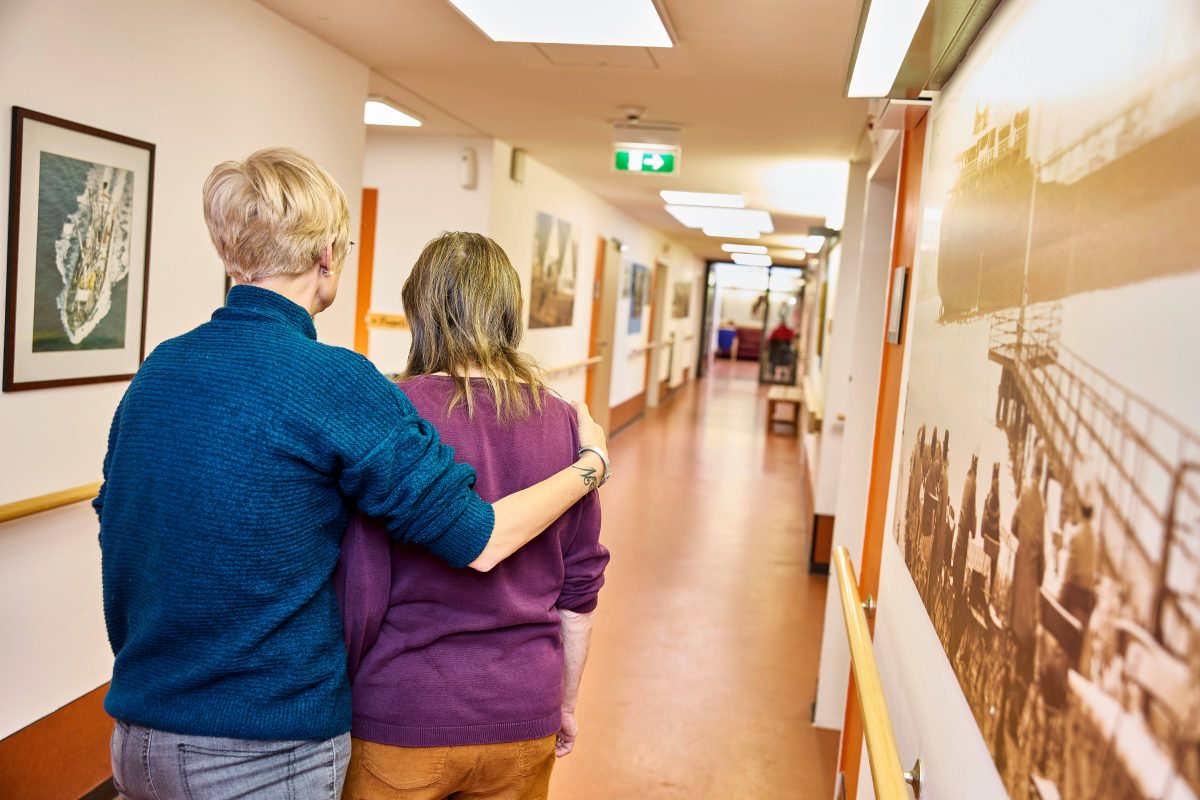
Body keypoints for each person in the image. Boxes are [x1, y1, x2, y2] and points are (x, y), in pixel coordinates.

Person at [96, 149, 610, 800]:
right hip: (266, 743)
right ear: (328, 257)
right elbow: (476, 537)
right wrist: (590, 464)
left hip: (141, 732)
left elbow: (117, 530)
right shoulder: (336, 383)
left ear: (230, 255)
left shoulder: (159, 372)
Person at [338, 232, 610, 800]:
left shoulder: (398, 412)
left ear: (422, 312)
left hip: (405, 709)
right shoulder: (567, 425)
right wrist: (562, 703)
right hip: (523, 711)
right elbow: (578, 592)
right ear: (510, 312)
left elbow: (361, 585)